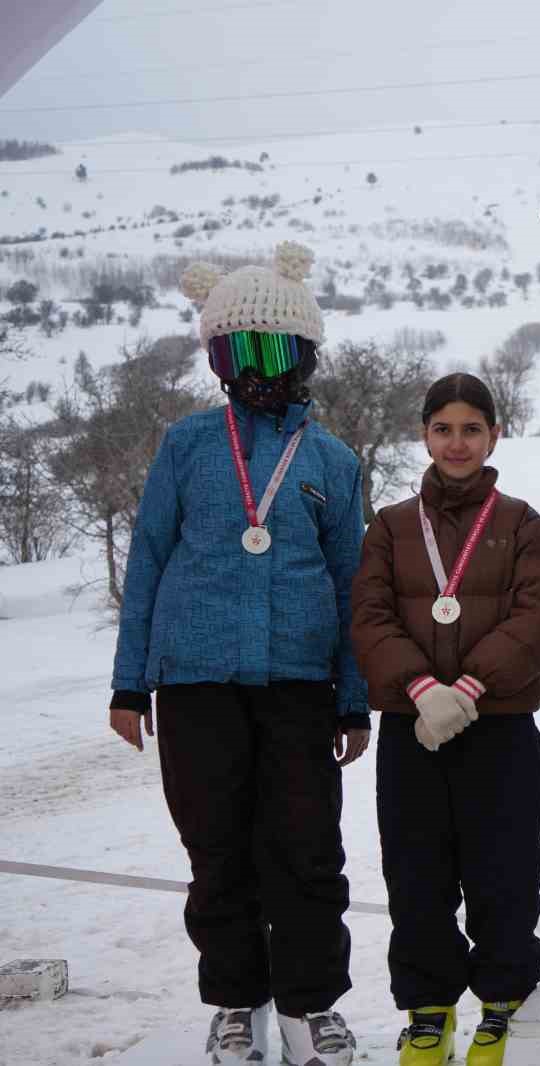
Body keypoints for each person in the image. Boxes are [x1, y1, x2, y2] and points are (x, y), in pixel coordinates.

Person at [108, 241, 366, 1066]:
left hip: (298, 686)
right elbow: (147, 562)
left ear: (306, 353)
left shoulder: (331, 461)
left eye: (276, 348)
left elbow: (351, 581)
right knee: (216, 852)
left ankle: (311, 1008)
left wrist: (352, 696)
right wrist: (128, 685)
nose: (259, 368)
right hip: (195, 685)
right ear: (218, 359)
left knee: (306, 850)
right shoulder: (185, 447)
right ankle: (235, 1004)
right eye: (240, 350)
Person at [352, 373, 540, 1066]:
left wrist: (468, 688)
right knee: (416, 874)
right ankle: (429, 1010)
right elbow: (370, 617)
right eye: (443, 428)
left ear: (495, 434)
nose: (457, 442)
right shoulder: (388, 527)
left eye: (472, 428)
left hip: (498, 727)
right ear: (423, 434)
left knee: (504, 869)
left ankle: (503, 1000)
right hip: (411, 732)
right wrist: (419, 688)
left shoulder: (522, 523)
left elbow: (538, 618)